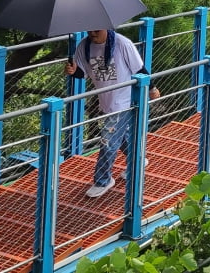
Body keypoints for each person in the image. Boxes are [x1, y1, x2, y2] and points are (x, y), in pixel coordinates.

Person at [65, 28, 161, 197]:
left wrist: (152, 88)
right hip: (107, 101)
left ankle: (103, 180)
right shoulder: (84, 46)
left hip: (124, 100)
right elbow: (83, 73)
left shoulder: (122, 43)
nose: (92, 34)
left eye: (96, 30)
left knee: (108, 140)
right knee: (120, 136)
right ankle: (138, 160)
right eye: (90, 31)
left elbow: (140, 69)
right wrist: (73, 72)